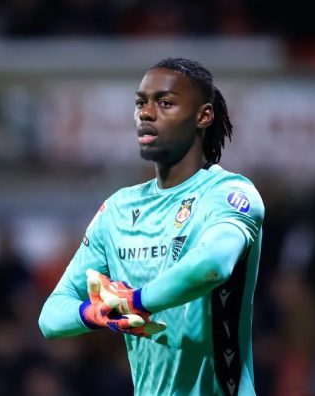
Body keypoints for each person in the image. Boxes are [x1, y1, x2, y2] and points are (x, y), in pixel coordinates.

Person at [39, 57, 265, 395]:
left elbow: (212, 267)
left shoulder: (228, 194)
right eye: (140, 103)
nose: (146, 113)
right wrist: (97, 313)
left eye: (165, 103)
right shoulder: (118, 210)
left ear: (203, 116)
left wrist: (133, 302)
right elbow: (51, 316)